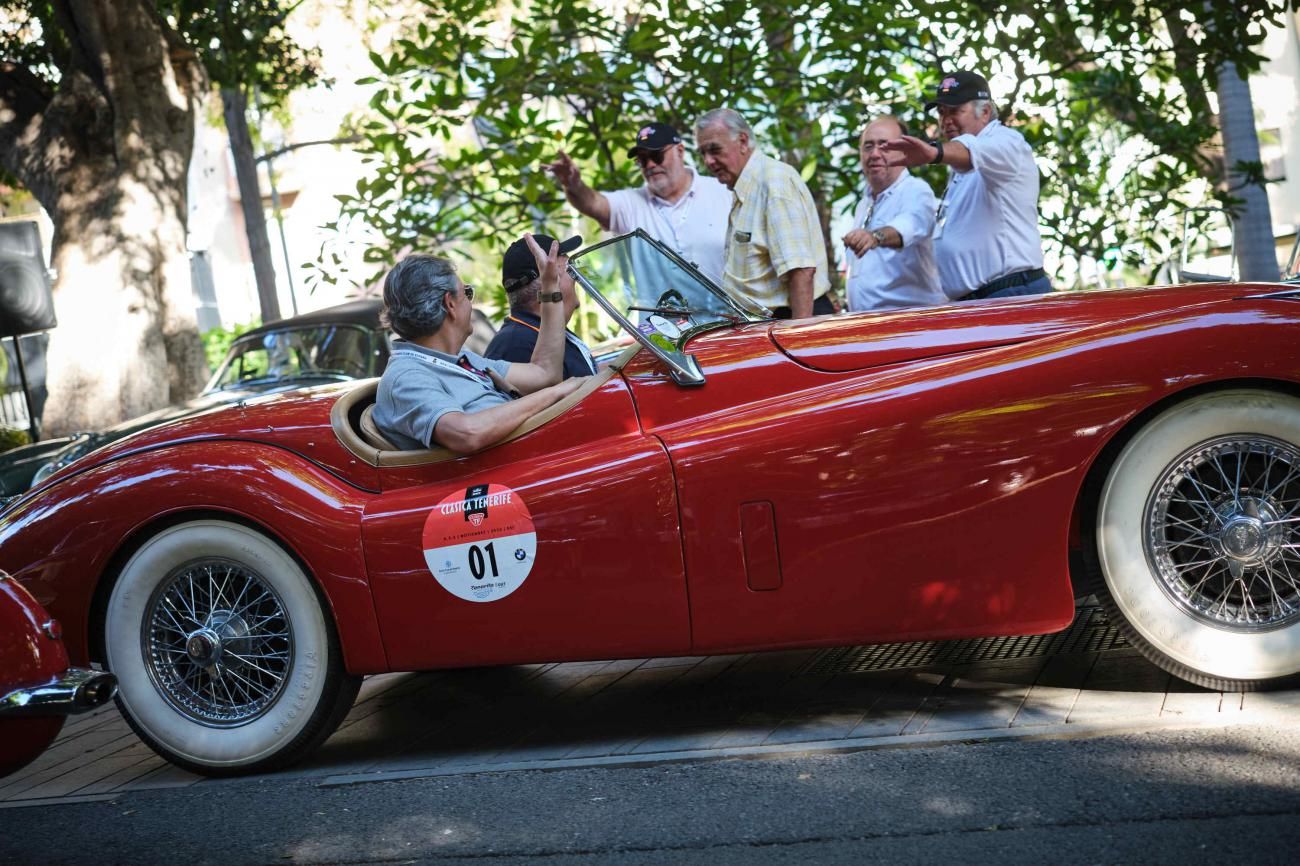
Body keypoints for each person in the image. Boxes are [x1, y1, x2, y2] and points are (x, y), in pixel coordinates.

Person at [373, 235, 585, 454]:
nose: (471, 303)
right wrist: (556, 394)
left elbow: (545, 374)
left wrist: (550, 288)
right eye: (467, 293)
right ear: (451, 304)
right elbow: (466, 434)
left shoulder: (461, 360)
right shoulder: (406, 376)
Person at [881, 71, 1051, 301]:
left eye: (955, 111)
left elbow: (972, 149)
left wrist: (934, 153)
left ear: (985, 112)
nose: (945, 120)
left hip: (1010, 292)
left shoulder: (1007, 141)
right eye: (941, 112)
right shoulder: (960, 165)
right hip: (978, 300)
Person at [545, 122, 732, 284]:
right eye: (642, 160)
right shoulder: (631, 203)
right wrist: (573, 184)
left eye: (657, 156)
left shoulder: (725, 193)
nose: (650, 165)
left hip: (730, 321)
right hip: (659, 324)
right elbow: (593, 203)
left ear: (680, 151)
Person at [694, 107, 833, 319]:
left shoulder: (773, 182)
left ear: (742, 142)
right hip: (762, 326)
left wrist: (798, 339)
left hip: (790, 321)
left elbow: (801, 270)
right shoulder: (746, 186)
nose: (708, 161)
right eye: (703, 153)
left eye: (714, 150)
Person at [842, 116, 945, 311]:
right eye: (868, 146)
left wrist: (875, 237)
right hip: (869, 326)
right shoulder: (864, 203)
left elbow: (911, 224)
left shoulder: (916, 190)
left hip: (911, 324)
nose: (875, 154)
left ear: (904, 152)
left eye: (884, 146)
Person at [485, 233, 596, 379]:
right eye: (570, 270)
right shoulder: (517, 347)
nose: (576, 277)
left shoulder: (540, 330)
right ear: (549, 284)